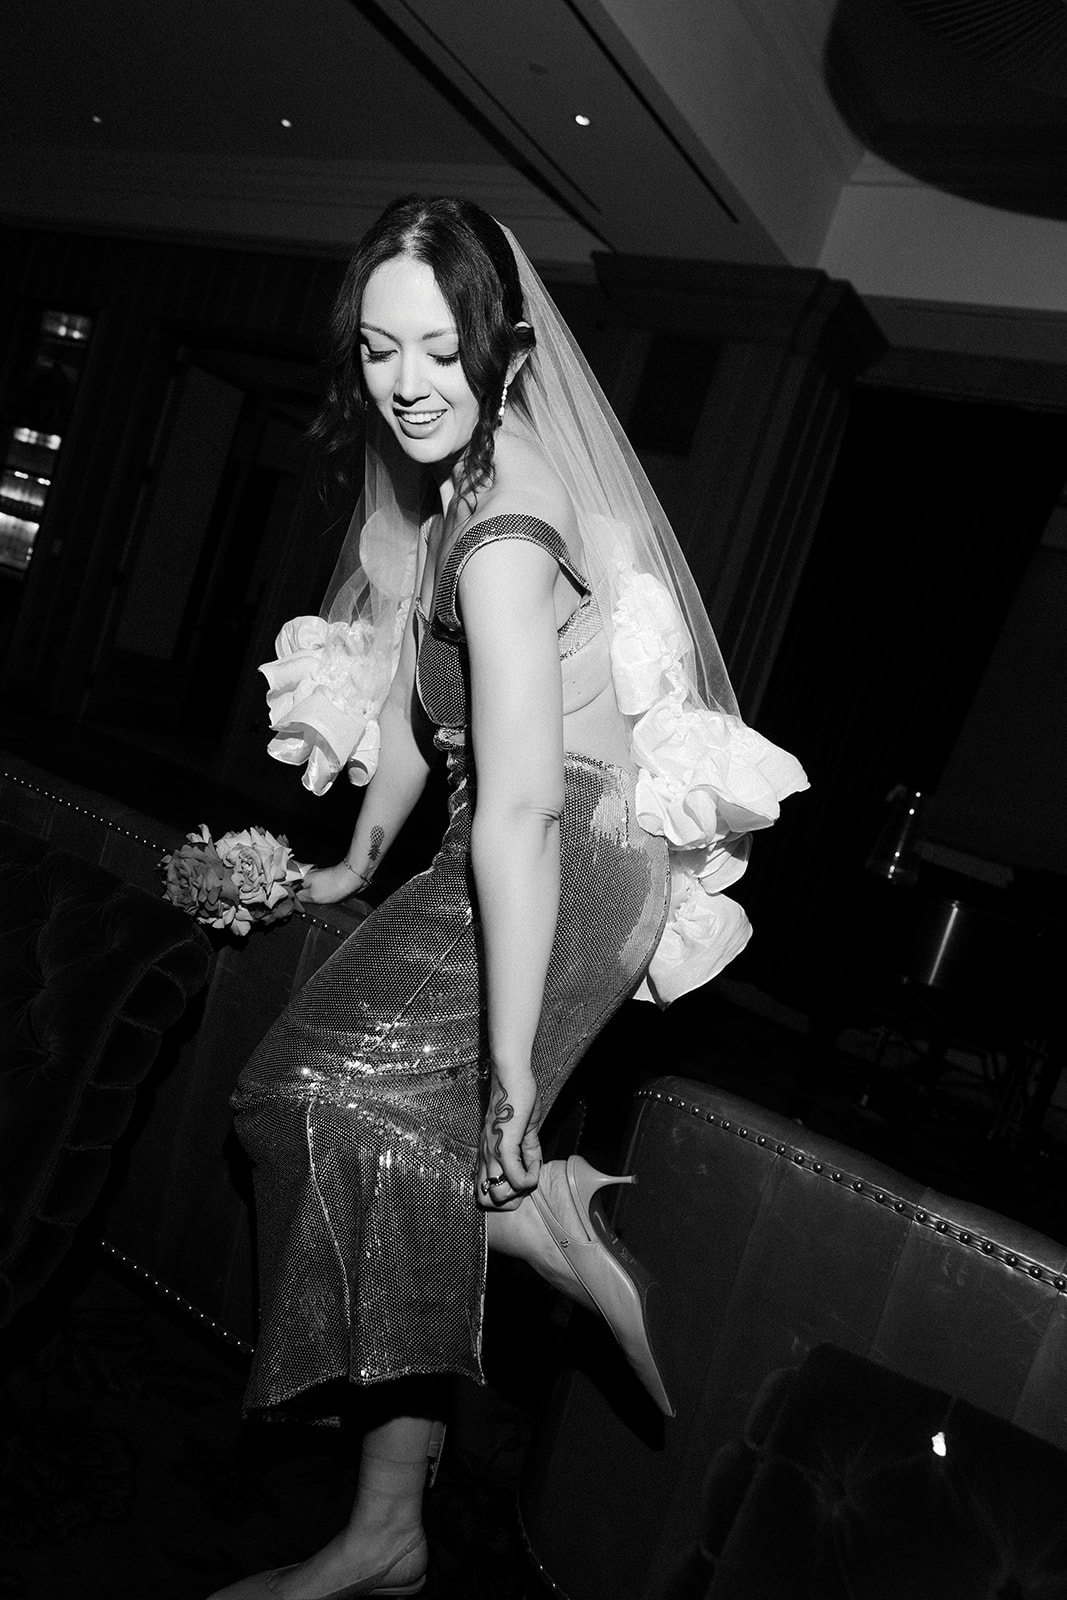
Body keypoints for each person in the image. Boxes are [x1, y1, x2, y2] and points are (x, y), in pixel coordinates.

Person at [209, 196, 805, 1600]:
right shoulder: (448, 493)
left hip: (567, 853)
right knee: (372, 1136)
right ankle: (390, 1530)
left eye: (438, 349)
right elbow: (433, 714)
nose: (404, 383)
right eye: (374, 350)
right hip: (517, 840)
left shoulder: (503, 519)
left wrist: (513, 1073)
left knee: (306, 1094)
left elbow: (528, 802)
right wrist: (356, 861)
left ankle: (535, 1213)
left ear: (509, 346)